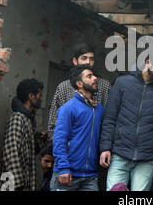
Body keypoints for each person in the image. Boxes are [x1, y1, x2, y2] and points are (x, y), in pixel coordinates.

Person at [99, 59, 153, 191]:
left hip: (147, 158)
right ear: (148, 62)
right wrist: (105, 148)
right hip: (119, 154)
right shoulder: (122, 83)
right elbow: (110, 118)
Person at [47, 43, 111, 190]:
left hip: (91, 173)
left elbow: (106, 127)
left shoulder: (99, 106)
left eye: (92, 59)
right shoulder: (67, 103)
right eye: (84, 58)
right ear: (79, 83)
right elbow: (57, 133)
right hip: (68, 170)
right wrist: (62, 165)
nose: (95, 78)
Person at [0, 78, 44, 191]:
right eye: (39, 95)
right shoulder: (18, 118)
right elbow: (10, 151)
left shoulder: (28, 119)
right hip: (12, 185)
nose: (41, 98)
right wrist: (19, 183)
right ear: (31, 96)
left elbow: (29, 151)